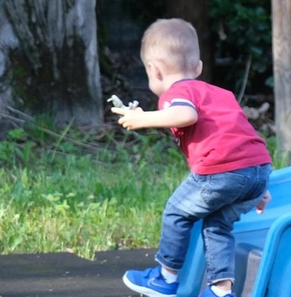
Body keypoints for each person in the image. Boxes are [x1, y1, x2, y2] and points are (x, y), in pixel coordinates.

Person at [113, 19, 273, 297]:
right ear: (198, 67)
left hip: (221, 171)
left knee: (177, 211)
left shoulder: (177, 93)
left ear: (155, 71)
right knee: (217, 225)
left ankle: (165, 278)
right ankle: (221, 291)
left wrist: (143, 118)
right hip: (256, 168)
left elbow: (187, 115)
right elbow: (241, 137)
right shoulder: (220, 94)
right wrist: (257, 186)